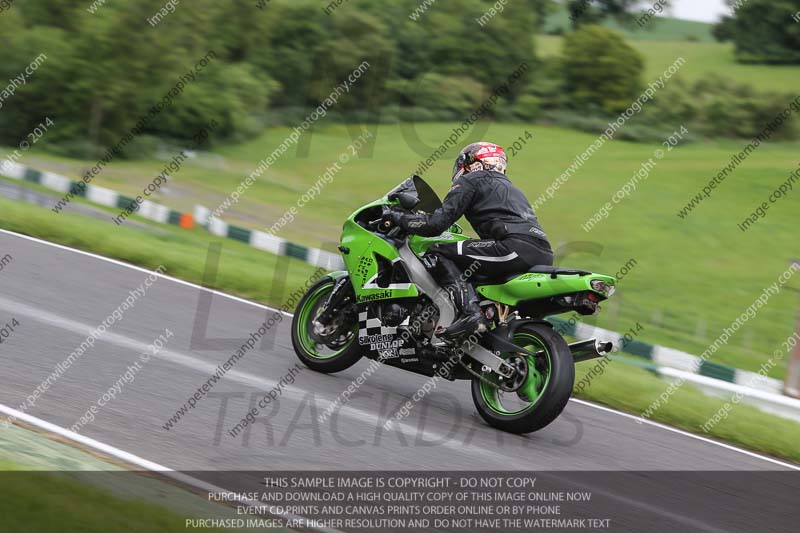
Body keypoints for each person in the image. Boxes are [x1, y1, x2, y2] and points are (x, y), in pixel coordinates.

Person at [385, 141, 554, 340]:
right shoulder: (513, 188)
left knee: (438, 252)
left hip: (512, 247)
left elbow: (435, 225)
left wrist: (398, 217)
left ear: (471, 161)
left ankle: (470, 314)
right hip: (542, 253)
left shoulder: (472, 180)